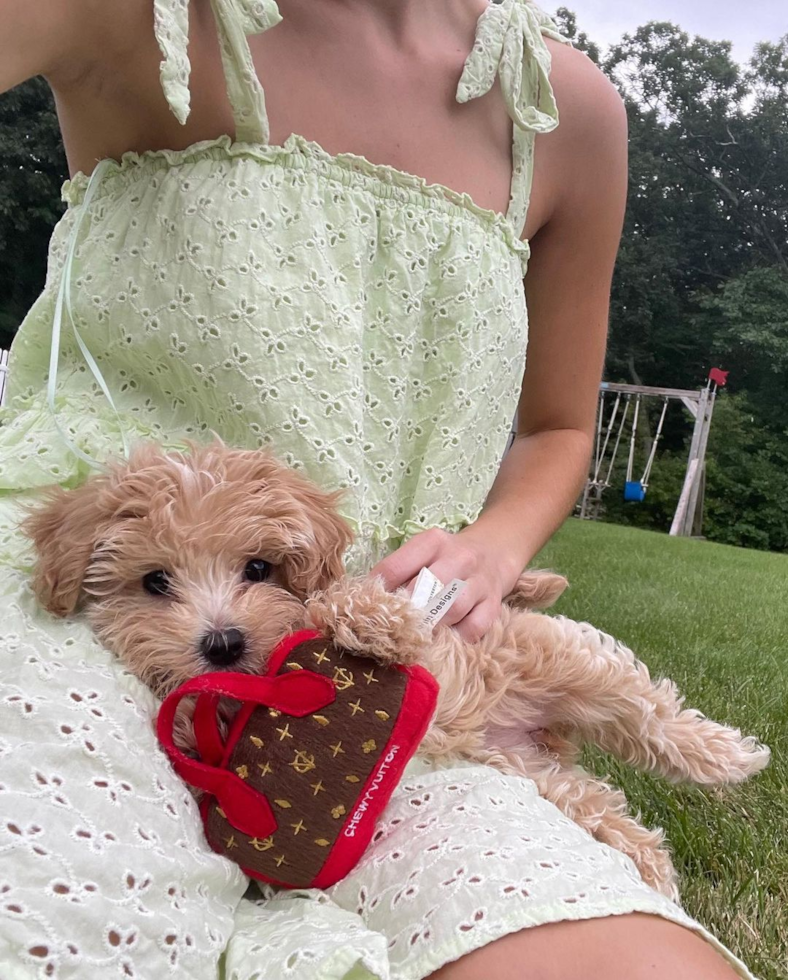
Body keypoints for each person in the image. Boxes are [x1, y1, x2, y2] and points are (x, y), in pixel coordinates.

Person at [0, 1, 755, 978]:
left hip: (383, 667)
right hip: (82, 611)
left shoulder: (562, 109)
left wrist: (491, 545)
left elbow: (559, 426)